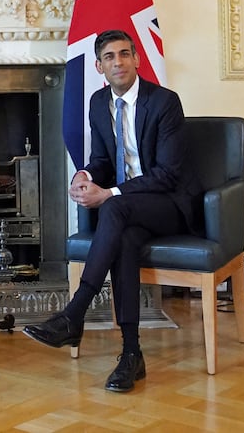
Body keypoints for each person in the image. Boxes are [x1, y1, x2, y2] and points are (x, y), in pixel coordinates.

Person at [22, 29, 196, 393]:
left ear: (136, 59)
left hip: (169, 205)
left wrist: (110, 193)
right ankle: (131, 354)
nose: (118, 62)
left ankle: (75, 312)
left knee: (114, 207)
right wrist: (84, 176)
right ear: (100, 67)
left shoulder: (164, 102)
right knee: (126, 242)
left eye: (124, 54)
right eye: (110, 57)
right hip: (130, 212)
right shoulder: (98, 103)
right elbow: (101, 160)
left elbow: (168, 175)